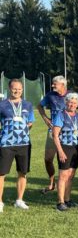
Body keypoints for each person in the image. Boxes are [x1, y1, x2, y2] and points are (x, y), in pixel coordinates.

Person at [37, 75, 78, 194]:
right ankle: (52, 183)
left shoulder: (73, 95)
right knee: (48, 159)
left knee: (66, 161)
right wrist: (46, 119)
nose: (52, 85)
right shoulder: (50, 95)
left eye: (54, 84)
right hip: (54, 131)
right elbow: (39, 106)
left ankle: (63, 190)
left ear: (62, 85)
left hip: (70, 134)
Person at [0, 79, 34, 212]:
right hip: (6, 143)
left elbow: (30, 122)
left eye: (19, 89)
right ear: (9, 88)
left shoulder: (27, 105)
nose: (17, 91)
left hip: (24, 143)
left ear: (22, 90)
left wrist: (23, 129)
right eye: (14, 88)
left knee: (22, 172)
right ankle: (0, 202)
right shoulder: (2, 105)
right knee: (1, 173)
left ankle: (19, 200)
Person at [52, 93, 78, 212]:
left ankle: (67, 199)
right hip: (65, 147)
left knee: (71, 175)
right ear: (66, 103)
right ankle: (60, 202)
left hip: (76, 147)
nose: (72, 104)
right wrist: (60, 151)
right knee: (63, 175)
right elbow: (55, 135)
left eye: (75, 102)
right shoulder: (60, 115)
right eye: (70, 102)